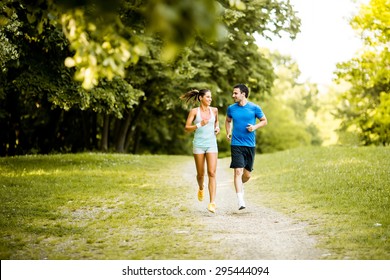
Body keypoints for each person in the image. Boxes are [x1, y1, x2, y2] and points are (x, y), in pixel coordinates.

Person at [225, 84, 267, 210]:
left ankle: (241, 186)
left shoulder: (254, 108)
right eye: (233, 93)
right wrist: (228, 132)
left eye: (235, 93)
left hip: (250, 145)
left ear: (243, 94)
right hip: (236, 144)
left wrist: (254, 127)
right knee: (238, 171)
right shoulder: (231, 108)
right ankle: (240, 200)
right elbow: (228, 120)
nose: (233, 95)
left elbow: (264, 121)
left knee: (247, 175)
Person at [181, 89, 220, 213]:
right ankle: (201, 187)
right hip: (198, 144)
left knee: (212, 173)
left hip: (211, 144)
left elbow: (216, 121)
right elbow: (187, 128)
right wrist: (199, 125)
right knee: (201, 174)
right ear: (200, 98)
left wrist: (217, 127)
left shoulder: (214, 110)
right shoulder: (194, 112)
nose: (210, 99)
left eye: (210, 97)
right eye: (208, 97)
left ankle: (212, 202)